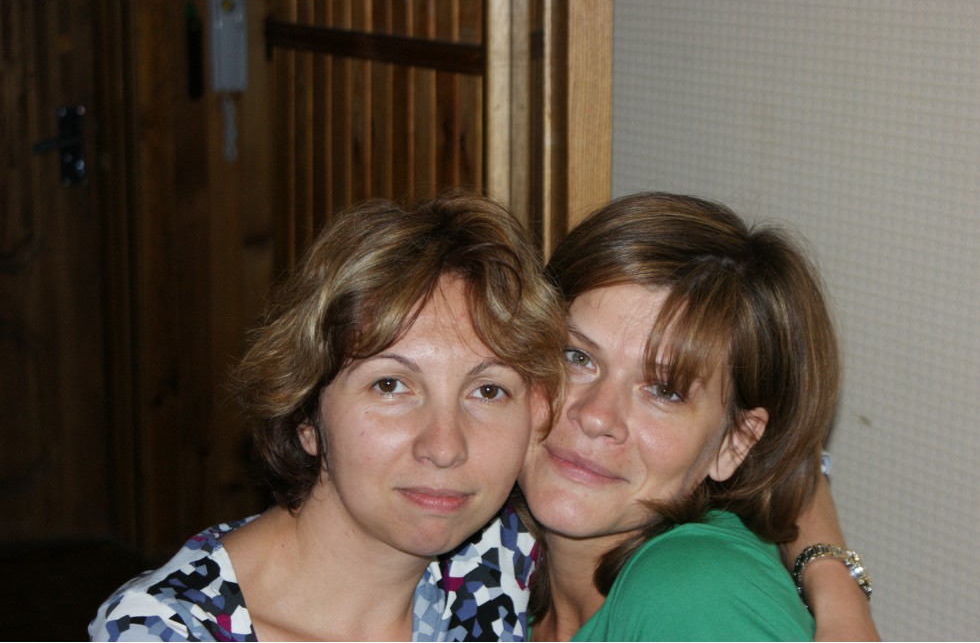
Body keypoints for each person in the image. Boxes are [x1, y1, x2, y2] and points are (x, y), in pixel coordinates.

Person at [88, 191, 567, 641]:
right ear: (306, 414)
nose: (444, 447)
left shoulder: (500, 560)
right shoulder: (165, 630)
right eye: (390, 385)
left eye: (488, 391)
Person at [444, 192, 879, 641]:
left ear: (735, 443)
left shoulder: (698, 596)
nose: (596, 416)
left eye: (665, 391)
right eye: (577, 357)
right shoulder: (488, 557)